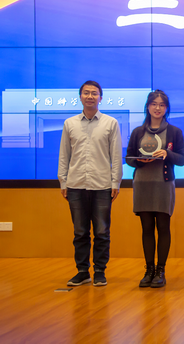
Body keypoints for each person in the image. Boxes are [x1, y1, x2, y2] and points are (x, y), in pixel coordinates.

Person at [58, 80, 123, 287]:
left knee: (102, 232)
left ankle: (100, 271)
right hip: (75, 184)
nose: (90, 96)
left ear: (100, 98)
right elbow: (64, 155)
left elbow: (116, 155)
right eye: (86, 93)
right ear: (80, 97)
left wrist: (116, 182)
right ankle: (82, 272)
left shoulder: (110, 123)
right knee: (80, 232)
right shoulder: (70, 123)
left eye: (94, 93)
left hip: (102, 185)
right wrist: (63, 181)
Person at [126, 90, 184, 288]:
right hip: (142, 184)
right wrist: (140, 161)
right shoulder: (138, 132)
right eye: (154, 104)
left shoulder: (174, 132)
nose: (157, 108)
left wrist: (167, 153)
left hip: (163, 185)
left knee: (163, 228)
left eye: (161, 105)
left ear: (166, 108)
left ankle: (161, 270)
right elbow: (129, 158)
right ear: (148, 107)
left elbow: (182, 159)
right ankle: (149, 270)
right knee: (146, 229)